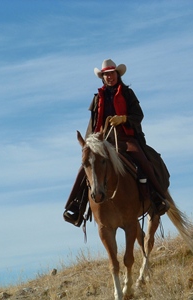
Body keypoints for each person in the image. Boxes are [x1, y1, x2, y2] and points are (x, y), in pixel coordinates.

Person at [64, 59, 170, 226]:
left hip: (126, 138)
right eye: (106, 75)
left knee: (143, 160)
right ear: (102, 78)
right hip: (103, 141)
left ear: (117, 74)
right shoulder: (98, 98)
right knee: (85, 168)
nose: (109, 77)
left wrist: (124, 119)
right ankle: (75, 207)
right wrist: (89, 143)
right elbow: (92, 123)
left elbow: (138, 115)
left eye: (111, 74)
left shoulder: (128, 93)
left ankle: (158, 197)